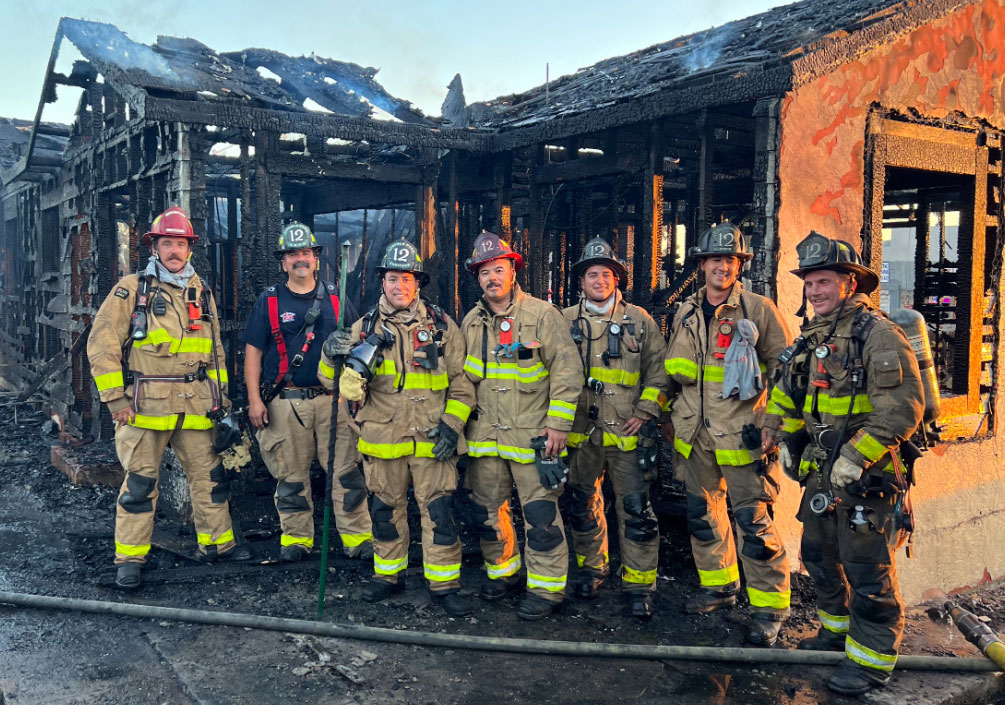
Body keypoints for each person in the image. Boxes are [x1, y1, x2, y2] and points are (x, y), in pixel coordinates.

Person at [766, 231, 923, 695]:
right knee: (819, 555)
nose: (815, 292)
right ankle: (835, 632)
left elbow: (903, 408)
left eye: (824, 282)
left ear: (850, 283)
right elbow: (787, 394)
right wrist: (782, 433)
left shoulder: (879, 335)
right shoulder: (812, 336)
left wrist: (856, 456)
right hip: (822, 469)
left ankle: (872, 660)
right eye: (810, 284)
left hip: (866, 475)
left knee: (866, 567)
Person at [87, 206, 249, 589]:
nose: (174, 250)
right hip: (145, 407)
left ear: (189, 249)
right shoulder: (131, 290)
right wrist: (114, 399)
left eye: (180, 243)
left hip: (195, 405)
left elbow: (215, 352)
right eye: (167, 243)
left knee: (210, 478)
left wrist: (221, 401)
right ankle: (129, 558)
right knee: (140, 484)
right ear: (154, 247)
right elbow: (102, 344)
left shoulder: (201, 291)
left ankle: (218, 545)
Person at [663, 222, 792, 645]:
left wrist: (775, 424)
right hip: (695, 435)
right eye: (716, 259)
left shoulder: (758, 310)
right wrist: (660, 414)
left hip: (742, 435)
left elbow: (787, 375)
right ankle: (719, 587)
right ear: (701, 264)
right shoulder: (683, 313)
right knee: (704, 515)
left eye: (731, 260)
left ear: (739, 266)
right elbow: (673, 373)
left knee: (752, 521)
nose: (723, 266)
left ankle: (769, 608)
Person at [337, 239, 474, 617]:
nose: (401, 287)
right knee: (384, 510)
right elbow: (337, 384)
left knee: (440, 512)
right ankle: (388, 575)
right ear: (382, 282)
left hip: (433, 438)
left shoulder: (443, 326)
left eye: (408, 280)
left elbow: (462, 385)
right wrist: (336, 362)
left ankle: (444, 584)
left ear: (419, 284)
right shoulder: (361, 329)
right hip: (382, 439)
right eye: (393, 279)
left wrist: (452, 424)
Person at [461, 232, 581, 620]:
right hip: (487, 437)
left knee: (541, 516)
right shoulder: (471, 322)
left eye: (499, 269)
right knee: (486, 511)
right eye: (484, 273)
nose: (492, 278)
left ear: (513, 271)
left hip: (533, 437)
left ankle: (547, 590)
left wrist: (559, 425)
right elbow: (463, 379)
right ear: (477, 279)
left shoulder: (543, 316)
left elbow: (567, 370)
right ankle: (504, 572)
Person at [242, 222, 372, 562]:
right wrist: (254, 400)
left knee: (347, 474)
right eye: (292, 254)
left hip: (334, 403)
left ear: (316, 258)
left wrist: (357, 390)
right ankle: (296, 539)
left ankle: (358, 538)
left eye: (305, 253)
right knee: (290, 476)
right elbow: (253, 353)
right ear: (283, 262)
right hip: (287, 401)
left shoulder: (335, 297)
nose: (300, 260)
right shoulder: (268, 301)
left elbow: (359, 344)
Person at [561, 238, 667, 619]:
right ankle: (593, 568)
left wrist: (646, 409)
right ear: (582, 281)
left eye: (607, 274)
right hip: (580, 432)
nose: (600, 280)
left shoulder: (640, 321)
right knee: (582, 504)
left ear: (617, 278)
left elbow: (659, 372)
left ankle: (639, 586)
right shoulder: (563, 320)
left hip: (626, 430)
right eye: (593, 274)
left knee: (636, 507)